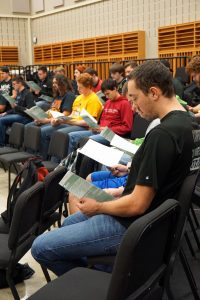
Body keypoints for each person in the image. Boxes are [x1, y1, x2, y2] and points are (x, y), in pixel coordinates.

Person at [31, 60, 199, 277]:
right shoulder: (190, 122)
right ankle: (99, 269)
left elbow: (138, 204)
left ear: (154, 93)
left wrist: (98, 207)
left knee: (41, 247)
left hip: (136, 226)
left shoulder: (163, 134)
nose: (133, 107)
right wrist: (130, 173)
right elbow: (167, 176)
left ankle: (101, 282)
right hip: (158, 221)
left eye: (135, 98)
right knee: (71, 221)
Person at [39, 73, 103, 159]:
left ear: (88, 86)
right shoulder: (79, 98)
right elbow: (73, 114)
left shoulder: (93, 99)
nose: (78, 89)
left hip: (83, 127)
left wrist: (68, 121)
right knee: (46, 131)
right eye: (77, 86)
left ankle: (59, 164)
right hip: (72, 123)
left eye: (80, 87)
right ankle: (45, 159)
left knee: (59, 134)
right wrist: (59, 119)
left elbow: (88, 123)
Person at [65, 79, 133, 154]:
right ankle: (69, 163)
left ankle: (84, 165)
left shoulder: (125, 104)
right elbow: (103, 120)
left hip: (113, 135)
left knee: (88, 140)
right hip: (101, 131)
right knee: (72, 136)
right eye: (105, 95)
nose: (107, 97)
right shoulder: (107, 103)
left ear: (115, 88)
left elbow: (127, 127)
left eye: (108, 93)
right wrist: (96, 127)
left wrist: (107, 129)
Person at [0, 76, 35, 146]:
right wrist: (6, 112)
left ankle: (1, 144)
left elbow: (30, 110)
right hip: (18, 114)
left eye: (14, 84)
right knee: (1, 117)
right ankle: (5, 142)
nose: (13, 86)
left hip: (25, 117)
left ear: (20, 83)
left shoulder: (28, 94)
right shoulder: (19, 93)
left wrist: (17, 107)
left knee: (1, 120)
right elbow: (15, 108)